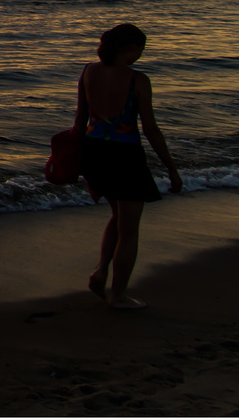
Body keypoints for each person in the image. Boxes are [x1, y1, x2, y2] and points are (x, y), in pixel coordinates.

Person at [74, 22, 182, 310]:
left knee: (118, 215)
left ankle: (99, 272)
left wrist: (77, 158)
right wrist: (171, 167)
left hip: (94, 152)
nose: (141, 55)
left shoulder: (88, 72)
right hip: (125, 155)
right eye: (140, 50)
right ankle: (118, 295)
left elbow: (79, 121)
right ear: (131, 48)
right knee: (130, 229)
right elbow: (150, 129)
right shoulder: (137, 80)